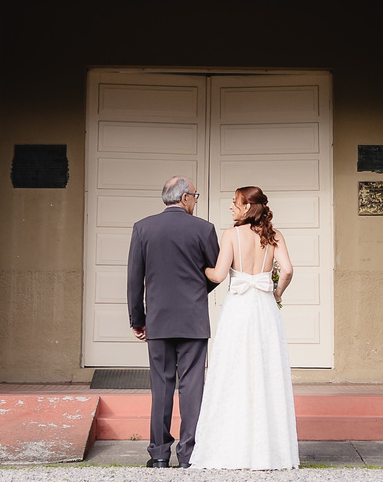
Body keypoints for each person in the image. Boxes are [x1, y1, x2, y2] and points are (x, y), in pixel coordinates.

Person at [190, 186, 299, 470]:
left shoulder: (231, 235)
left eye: (234, 203)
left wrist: (199, 268)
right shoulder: (275, 236)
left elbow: (218, 274)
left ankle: (230, 447)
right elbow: (287, 270)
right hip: (264, 309)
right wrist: (277, 293)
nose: (231, 207)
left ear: (247, 207)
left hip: (238, 310)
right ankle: (269, 452)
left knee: (233, 371)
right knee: (266, 371)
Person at [127, 176, 220, 469]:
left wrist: (138, 319)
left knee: (162, 387)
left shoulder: (143, 228)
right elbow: (215, 272)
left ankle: (158, 455)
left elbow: (134, 279)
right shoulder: (204, 229)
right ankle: (189, 455)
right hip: (193, 320)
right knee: (192, 387)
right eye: (195, 196)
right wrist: (195, 293)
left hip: (158, 320)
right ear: (184, 198)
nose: (195, 200)